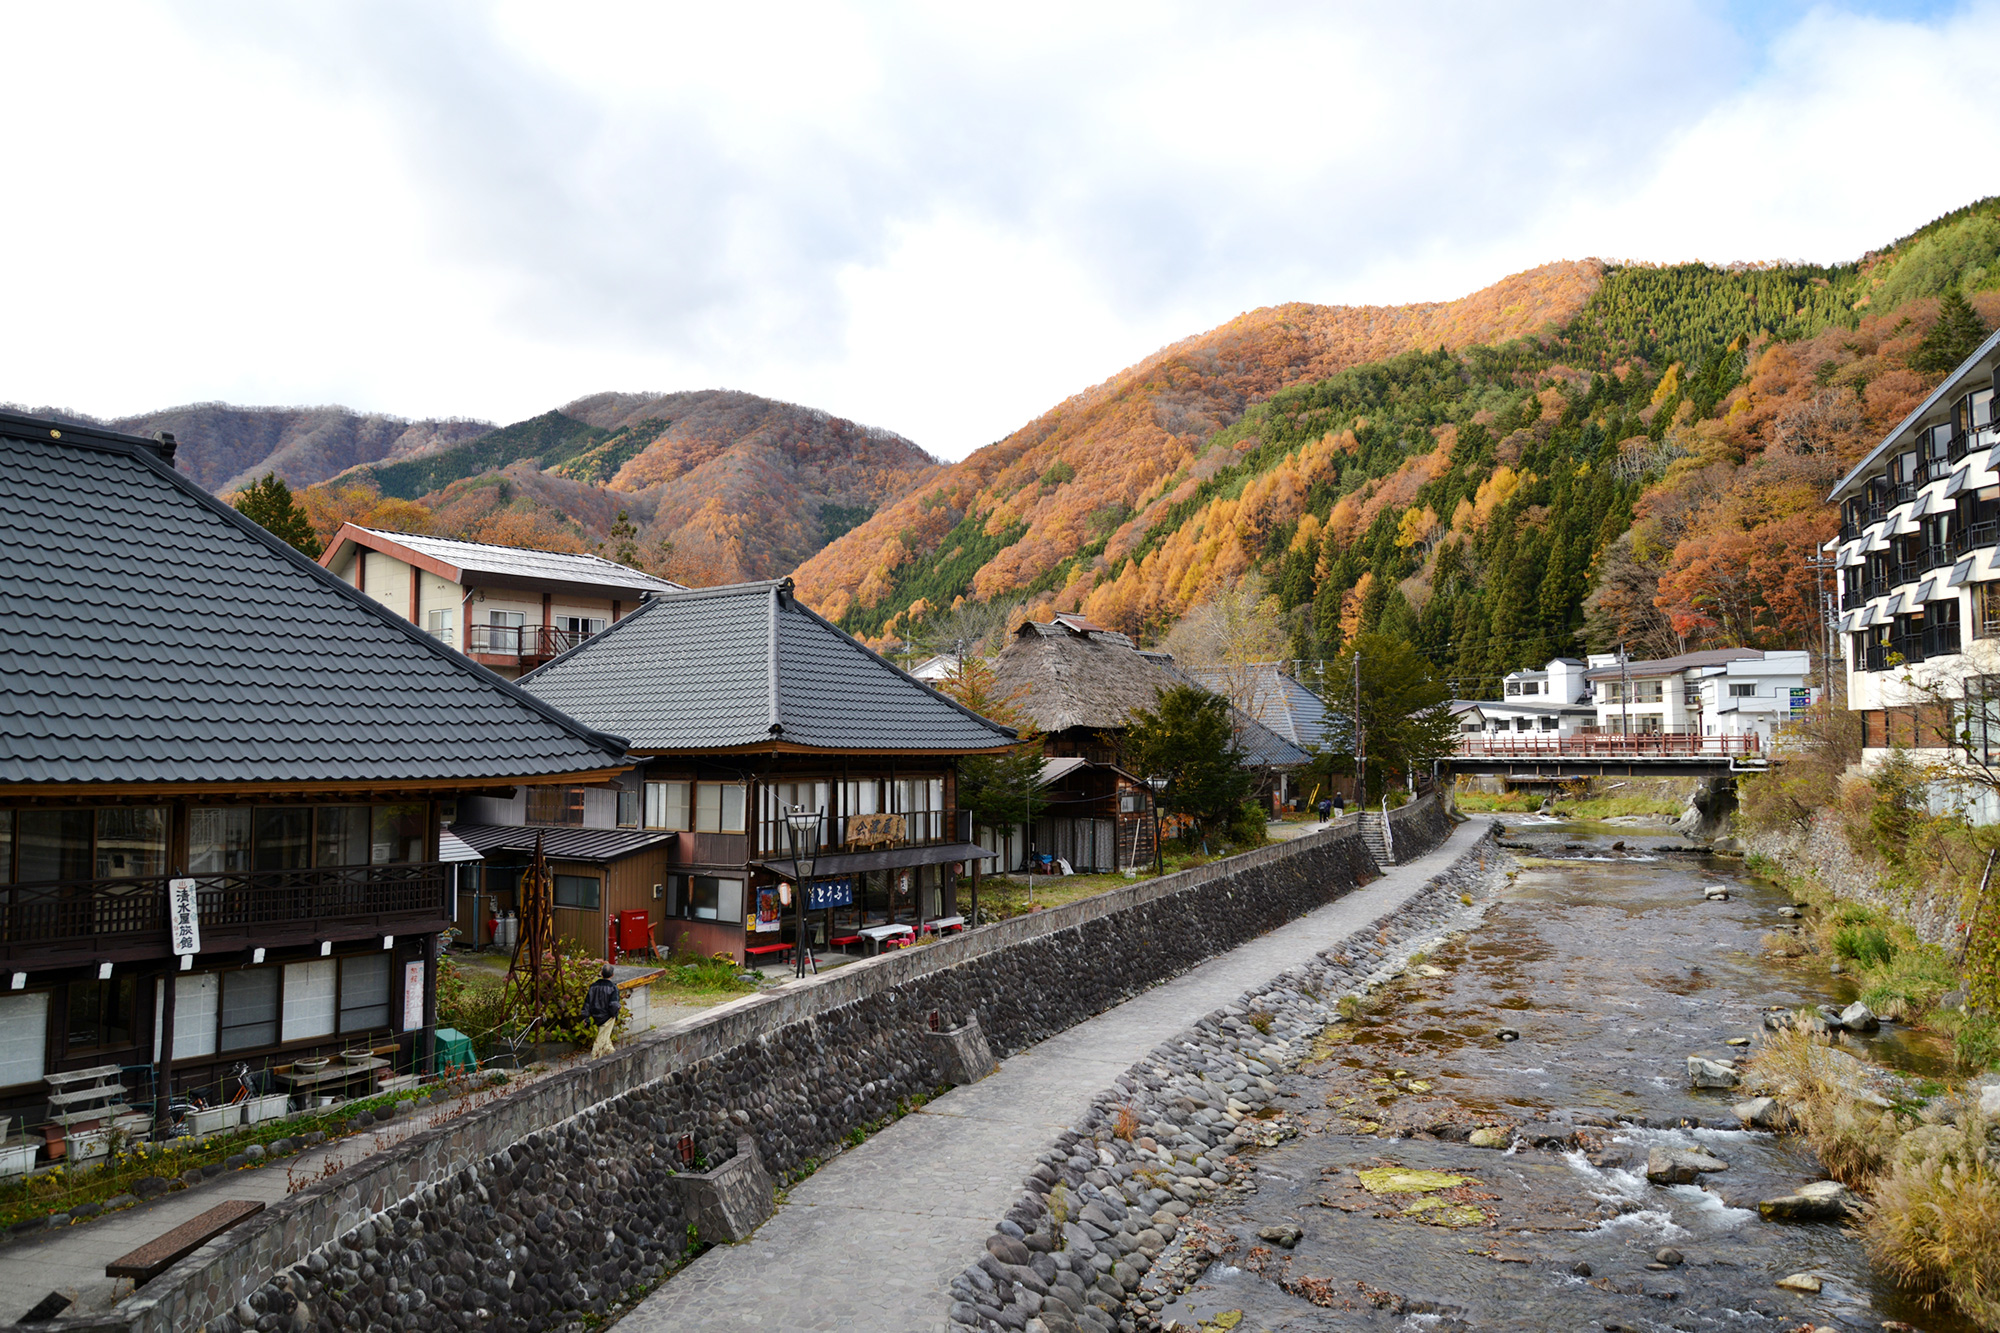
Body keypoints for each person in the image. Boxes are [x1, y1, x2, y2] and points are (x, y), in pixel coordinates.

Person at [584, 964, 622, 1058]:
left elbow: (587, 1003)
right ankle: (594, 1061)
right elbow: (614, 1004)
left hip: (596, 1015)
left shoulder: (593, 987)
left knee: (605, 1038)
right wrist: (615, 1013)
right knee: (600, 1041)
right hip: (608, 1016)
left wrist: (586, 1017)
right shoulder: (613, 987)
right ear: (612, 975)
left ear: (601, 973)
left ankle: (613, 1056)